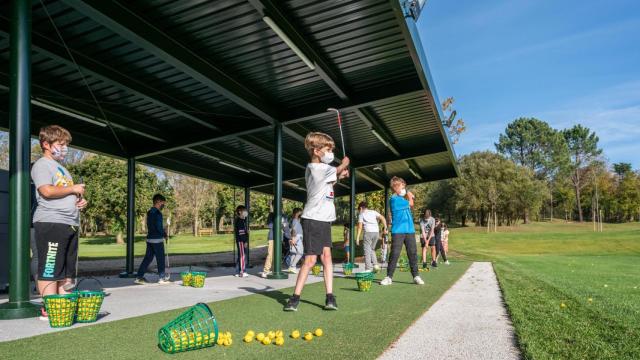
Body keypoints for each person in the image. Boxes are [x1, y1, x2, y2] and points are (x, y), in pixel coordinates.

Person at [284, 132, 350, 311]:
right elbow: (335, 169)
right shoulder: (315, 168)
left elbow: (325, 186)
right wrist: (344, 163)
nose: (331, 153)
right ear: (316, 150)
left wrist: (340, 177)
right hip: (313, 219)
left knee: (327, 257)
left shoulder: (322, 170)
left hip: (324, 220)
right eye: (328, 149)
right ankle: (295, 298)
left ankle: (330, 297)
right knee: (311, 260)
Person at [31, 125, 88, 320]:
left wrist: (79, 201)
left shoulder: (63, 169)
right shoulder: (42, 165)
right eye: (60, 144)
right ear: (46, 144)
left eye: (66, 145)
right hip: (51, 223)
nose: (64, 148)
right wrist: (73, 190)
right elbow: (46, 191)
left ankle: (63, 308)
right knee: (50, 268)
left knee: (67, 271)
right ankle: (50, 309)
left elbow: (65, 193)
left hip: (70, 223)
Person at [380, 176, 424, 286]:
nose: (403, 187)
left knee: (412, 253)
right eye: (401, 186)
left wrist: (408, 196)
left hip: (409, 230)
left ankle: (416, 276)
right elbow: (411, 203)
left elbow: (410, 205)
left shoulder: (402, 199)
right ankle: (389, 277)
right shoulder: (394, 200)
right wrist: (409, 195)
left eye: (403, 186)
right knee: (395, 254)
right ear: (395, 188)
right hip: (398, 231)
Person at [134, 194, 171, 284]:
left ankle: (139, 277)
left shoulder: (150, 212)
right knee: (160, 258)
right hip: (157, 240)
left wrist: (164, 229)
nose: (163, 205)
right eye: (162, 203)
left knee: (148, 258)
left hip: (150, 239)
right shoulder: (158, 213)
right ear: (158, 202)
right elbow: (158, 227)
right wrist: (165, 234)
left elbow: (153, 226)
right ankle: (161, 278)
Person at [356, 201, 387, 272]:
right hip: (376, 233)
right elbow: (382, 218)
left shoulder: (361, 214)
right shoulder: (373, 212)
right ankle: (375, 265)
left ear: (361, 208)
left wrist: (357, 238)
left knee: (367, 251)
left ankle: (368, 269)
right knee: (372, 249)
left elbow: (360, 227)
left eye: (359, 210)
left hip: (368, 233)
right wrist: (385, 227)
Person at [286, 208, 304, 273]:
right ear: (296, 214)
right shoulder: (295, 221)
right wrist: (293, 239)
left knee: (294, 253)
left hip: (296, 237)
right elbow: (293, 230)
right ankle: (293, 266)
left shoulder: (295, 220)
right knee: (300, 252)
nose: (301, 214)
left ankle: (291, 267)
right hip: (297, 237)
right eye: (300, 213)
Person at [234, 205, 250, 277]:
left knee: (240, 256)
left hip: (240, 240)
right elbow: (241, 233)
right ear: (240, 212)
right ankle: (242, 271)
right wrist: (245, 241)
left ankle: (238, 271)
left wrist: (247, 232)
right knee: (243, 256)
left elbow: (243, 231)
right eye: (244, 211)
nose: (245, 212)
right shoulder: (240, 221)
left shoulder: (242, 220)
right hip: (241, 241)